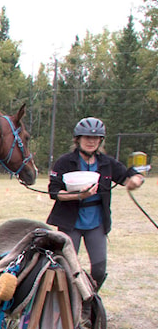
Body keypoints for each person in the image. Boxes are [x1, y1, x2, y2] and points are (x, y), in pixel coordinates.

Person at [47, 117, 144, 298]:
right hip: (70, 222)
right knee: (66, 268)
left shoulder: (106, 163)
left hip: (97, 222)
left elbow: (128, 175)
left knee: (99, 269)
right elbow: (54, 192)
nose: (91, 141)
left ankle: (88, 300)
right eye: (86, 137)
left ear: (101, 140)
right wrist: (78, 196)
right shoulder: (64, 162)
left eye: (96, 138)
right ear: (77, 139)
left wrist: (136, 180)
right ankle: (67, 303)